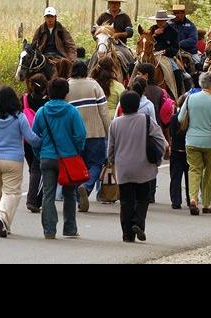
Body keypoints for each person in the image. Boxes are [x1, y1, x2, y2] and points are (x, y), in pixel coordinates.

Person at [0, 86, 41, 238]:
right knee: (12, 192)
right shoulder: (19, 117)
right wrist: (43, 142)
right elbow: (31, 138)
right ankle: (1, 217)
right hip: (13, 160)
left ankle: (2, 224)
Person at [108, 91, 166, 243]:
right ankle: (138, 223)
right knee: (142, 199)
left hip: (123, 168)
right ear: (138, 105)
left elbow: (111, 149)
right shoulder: (146, 120)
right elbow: (160, 140)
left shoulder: (115, 123)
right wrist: (158, 158)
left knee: (126, 201)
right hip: (144, 167)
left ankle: (127, 235)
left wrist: (112, 163)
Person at [33, 79, 86, 240]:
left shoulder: (42, 112)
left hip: (47, 157)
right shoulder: (72, 111)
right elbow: (80, 135)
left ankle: (49, 230)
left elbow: (35, 136)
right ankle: (69, 228)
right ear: (66, 92)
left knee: (48, 195)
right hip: (68, 158)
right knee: (69, 194)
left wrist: (39, 153)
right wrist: (76, 151)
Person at [66, 61, 111, 212]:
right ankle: (86, 186)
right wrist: (109, 133)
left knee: (77, 166)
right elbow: (104, 112)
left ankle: (79, 198)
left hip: (73, 136)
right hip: (95, 133)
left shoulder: (67, 86)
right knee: (96, 164)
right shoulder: (94, 85)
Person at [178, 72, 211, 216]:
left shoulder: (190, 98)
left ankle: (193, 198)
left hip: (192, 140)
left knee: (194, 170)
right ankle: (207, 204)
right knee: (208, 172)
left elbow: (179, 118)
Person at [22, 74, 49, 213]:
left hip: (26, 139)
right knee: (38, 169)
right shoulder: (47, 103)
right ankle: (33, 200)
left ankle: (33, 198)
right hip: (42, 139)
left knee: (33, 168)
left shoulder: (24, 99)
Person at [148, 10, 183, 98]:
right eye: (158, 20)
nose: (159, 22)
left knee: (177, 72)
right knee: (135, 65)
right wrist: (153, 35)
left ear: (166, 20)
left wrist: (165, 51)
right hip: (151, 55)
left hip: (167, 56)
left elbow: (175, 48)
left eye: (162, 20)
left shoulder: (173, 32)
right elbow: (145, 39)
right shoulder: (151, 29)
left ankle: (176, 95)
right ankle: (130, 86)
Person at [92, 0, 135, 66]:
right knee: (94, 57)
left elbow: (130, 32)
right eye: (112, 3)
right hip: (104, 44)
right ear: (109, 4)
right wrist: (96, 32)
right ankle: (89, 73)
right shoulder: (103, 15)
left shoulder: (125, 17)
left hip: (120, 44)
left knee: (128, 55)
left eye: (116, 3)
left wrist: (118, 35)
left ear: (119, 4)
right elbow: (94, 28)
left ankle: (129, 74)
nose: (114, 5)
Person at [169, 95, 190, 210]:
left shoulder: (173, 118)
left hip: (176, 150)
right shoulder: (191, 119)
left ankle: (176, 201)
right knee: (190, 177)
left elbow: (171, 134)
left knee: (175, 177)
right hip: (188, 150)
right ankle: (190, 198)